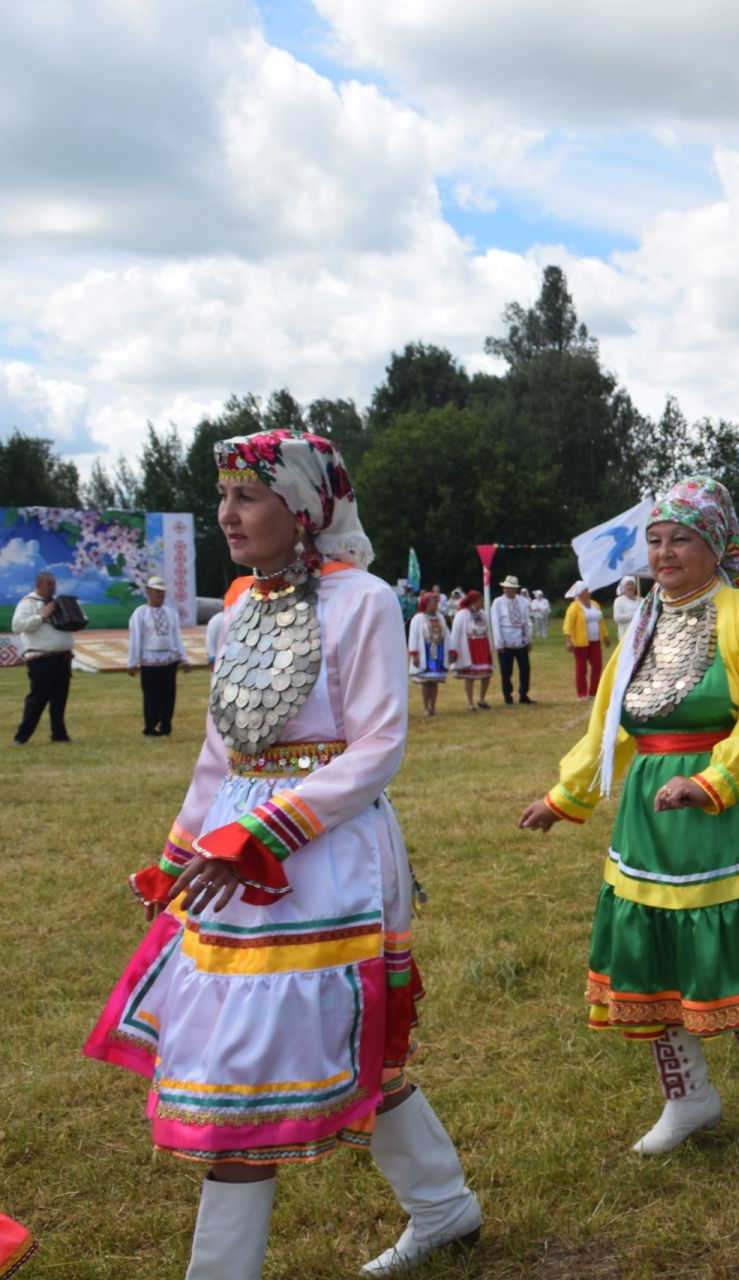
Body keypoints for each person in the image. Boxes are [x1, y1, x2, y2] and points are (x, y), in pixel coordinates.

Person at [85, 429, 479, 1279]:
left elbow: (377, 748)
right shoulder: (235, 611)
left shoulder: (365, 599)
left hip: (324, 853)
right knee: (326, 1050)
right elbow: (219, 754)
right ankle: (443, 1205)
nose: (226, 514)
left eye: (247, 497)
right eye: (222, 497)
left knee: (258, 1069)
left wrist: (258, 838)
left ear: (302, 511)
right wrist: (182, 852)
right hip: (231, 857)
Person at [519, 477, 739, 1153]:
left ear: (716, 545)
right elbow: (613, 722)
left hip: (728, 808)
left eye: (682, 540)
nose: (665, 554)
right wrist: (564, 795)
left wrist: (716, 780)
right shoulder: (643, 622)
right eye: (656, 541)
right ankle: (686, 1096)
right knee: (650, 946)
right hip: (649, 815)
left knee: (736, 948)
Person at [11, 570, 80, 746]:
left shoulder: (58, 603)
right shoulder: (28, 603)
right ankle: (22, 736)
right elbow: (17, 626)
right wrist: (42, 615)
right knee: (38, 699)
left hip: (61, 658)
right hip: (41, 659)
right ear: (39, 585)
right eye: (49, 583)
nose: (53, 587)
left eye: (54, 583)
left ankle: (59, 734)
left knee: (59, 698)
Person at [126, 575, 190, 736]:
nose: (160, 595)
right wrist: (132, 662)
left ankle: (166, 725)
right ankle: (150, 726)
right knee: (151, 696)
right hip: (149, 662)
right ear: (148, 592)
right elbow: (135, 638)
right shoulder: (140, 613)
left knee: (168, 696)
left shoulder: (171, 613)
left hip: (169, 660)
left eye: (162, 592)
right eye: (157, 592)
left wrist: (183, 658)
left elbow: (177, 637)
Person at [490, 576, 534, 704]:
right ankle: (507, 696)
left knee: (525, 669)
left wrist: (528, 639)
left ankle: (523, 694)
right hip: (505, 641)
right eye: (508, 588)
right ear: (504, 588)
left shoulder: (522, 601)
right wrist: (499, 642)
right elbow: (495, 623)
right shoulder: (498, 602)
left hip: (520, 640)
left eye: (513, 588)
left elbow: (526, 621)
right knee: (506, 671)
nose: (510, 591)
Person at [448, 590, 494, 711]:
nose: (482, 603)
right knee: (470, 676)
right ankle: (470, 703)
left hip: (482, 646)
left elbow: (488, 631)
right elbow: (456, 633)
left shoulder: (482, 614)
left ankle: (482, 699)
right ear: (473, 601)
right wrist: (453, 650)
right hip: (469, 647)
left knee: (486, 674)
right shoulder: (462, 614)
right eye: (480, 600)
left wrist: (490, 646)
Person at [407, 590, 449, 717]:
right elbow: (413, 636)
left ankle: (433, 707)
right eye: (433, 601)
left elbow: (446, 634)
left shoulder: (440, 617)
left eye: (437, 601)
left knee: (434, 681)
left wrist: (451, 650)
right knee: (426, 681)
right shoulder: (418, 618)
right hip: (425, 651)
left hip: (438, 651)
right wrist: (414, 653)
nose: (436, 604)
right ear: (426, 603)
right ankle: (425, 707)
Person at [565, 582, 606, 701]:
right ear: (580, 592)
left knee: (597, 666)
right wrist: (568, 640)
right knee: (581, 668)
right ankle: (582, 693)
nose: (589, 592)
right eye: (586, 590)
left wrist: (605, 636)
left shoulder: (595, 604)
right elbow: (568, 624)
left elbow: (601, 622)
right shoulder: (574, 607)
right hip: (580, 642)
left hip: (595, 641)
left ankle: (593, 692)